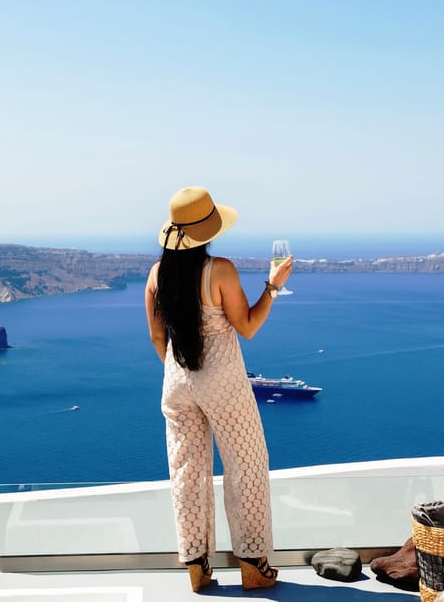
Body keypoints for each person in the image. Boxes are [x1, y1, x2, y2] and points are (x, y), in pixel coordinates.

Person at [144, 186, 293, 592]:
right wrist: (272, 286)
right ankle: (253, 565)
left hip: (176, 381)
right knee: (247, 465)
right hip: (222, 383)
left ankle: (196, 565)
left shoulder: (157, 274)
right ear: (208, 231)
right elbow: (248, 326)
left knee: (186, 471)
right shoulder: (220, 270)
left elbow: (157, 337)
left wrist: (181, 374)